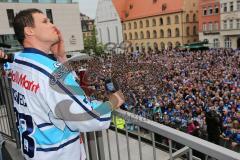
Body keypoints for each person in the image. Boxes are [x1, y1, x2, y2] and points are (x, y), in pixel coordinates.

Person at [2, 8, 124, 160]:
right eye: (45, 21)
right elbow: (89, 118)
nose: (52, 24)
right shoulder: (52, 72)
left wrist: (61, 57)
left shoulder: (19, 62)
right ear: (29, 31)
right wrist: (113, 101)